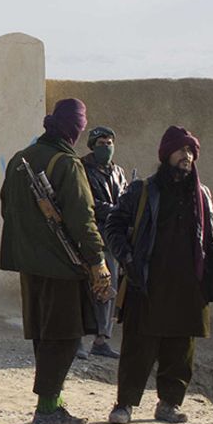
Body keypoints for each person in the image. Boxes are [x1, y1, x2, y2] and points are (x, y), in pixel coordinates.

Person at [0, 98, 112, 424]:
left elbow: (9, 207)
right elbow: (83, 219)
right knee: (63, 336)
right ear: (73, 128)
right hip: (61, 266)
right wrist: (97, 261)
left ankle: (52, 399)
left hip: (29, 265)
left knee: (44, 335)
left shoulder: (21, 159)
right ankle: (48, 408)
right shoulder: (67, 163)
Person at [104, 126, 213, 424]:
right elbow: (113, 225)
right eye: (182, 150)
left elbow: (211, 235)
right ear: (166, 153)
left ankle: (169, 403)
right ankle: (125, 405)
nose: (188, 156)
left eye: (191, 151)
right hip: (147, 282)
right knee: (138, 347)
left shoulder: (202, 194)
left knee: (180, 349)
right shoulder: (142, 190)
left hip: (188, 286)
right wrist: (128, 258)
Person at [80, 126, 129, 359]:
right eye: (101, 143)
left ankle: (102, 339)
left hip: (113, 237)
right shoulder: (83, 169)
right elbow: (89, 202)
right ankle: (79, 338)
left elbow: (126, 198)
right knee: (90, 287)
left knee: (110, 289)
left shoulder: (118, 171)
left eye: (110, 142)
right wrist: (117, 211)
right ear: (92, 145)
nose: (107, 146)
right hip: (92, 236)